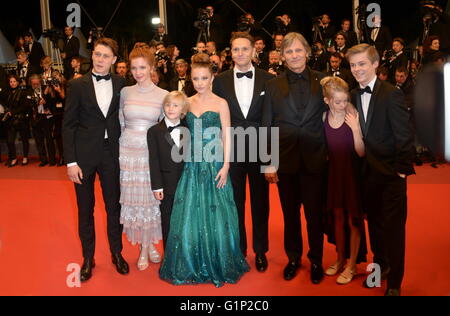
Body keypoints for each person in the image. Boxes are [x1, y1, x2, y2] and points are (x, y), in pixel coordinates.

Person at [159, 53, 250, 287]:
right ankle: (191, 261)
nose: (200, 82)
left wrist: (227, 165)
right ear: (191, 78)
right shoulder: (186, 102)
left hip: (216, 163)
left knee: (219, 212)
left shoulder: (221, 103)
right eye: (196, 78)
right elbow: (172, 124)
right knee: (190, 212)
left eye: (204, 78)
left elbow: (227, 135)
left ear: (212, 78)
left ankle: (219, 260)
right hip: (191, 164)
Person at [346, 44, 415, 296]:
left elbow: (404, 134)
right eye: (353, 65)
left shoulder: (391, 93)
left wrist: (401, 171)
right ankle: (380, 270)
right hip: (365, 174)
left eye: (362, 63)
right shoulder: (352, 94)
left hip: (390, 175)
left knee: (394, 230)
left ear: (375, 64)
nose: (357, 69)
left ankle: (395, 283)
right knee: (373, 227)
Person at [262, 32, 327, 284]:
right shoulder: (272, 85)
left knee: (314, 215)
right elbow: (266, 125)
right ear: (282, 56)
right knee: (290, 215)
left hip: (315, 160)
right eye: (289, 52)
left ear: (307, 52)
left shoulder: (323, 80)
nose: (294, 55)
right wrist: (267, 161)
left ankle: (317, 260)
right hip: (285, 161)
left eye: (298, 50)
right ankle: (293, 258)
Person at [63, 37, 129, 282]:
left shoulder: (121, 83)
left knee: (115, 208)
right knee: (85, 210)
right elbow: (68, 125)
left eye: (106, 56)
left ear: (114, 60)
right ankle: (88, 258)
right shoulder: (77, 85)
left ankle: (117, 253)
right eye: (97, 54)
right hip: (83, 157)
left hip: (112, 154)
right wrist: (71, 162)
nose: (100, 60)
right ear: (92, 56)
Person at [213, 32, 275, 272]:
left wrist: (272, 158)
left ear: (253, 51)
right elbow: (218, 118)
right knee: (235, 202)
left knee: (261, 203)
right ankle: (239, 250)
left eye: (244, 49)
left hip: (260, 149)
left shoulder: (269, 79)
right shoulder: (220, 80)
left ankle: (261, 251)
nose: (240, 53)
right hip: (232, 149)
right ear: (231, 52)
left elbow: (271, 119)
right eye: (235, 49)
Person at [119, 46, 169, 271]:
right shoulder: (125, 92)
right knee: (134, 201)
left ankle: (145, 247)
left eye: (142, 67)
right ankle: (146, 247)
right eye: (134, 68)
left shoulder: (163, 95)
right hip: (128, 154)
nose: (138, 72)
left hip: (149, 154)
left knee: (150, 202)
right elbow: (120, 120)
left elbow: (164, 129)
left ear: (151, 68)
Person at [320, 76, 367, 285]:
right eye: (337, 101)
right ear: (327, 100)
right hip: (333, 175)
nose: (342, 105)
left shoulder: (352, 114)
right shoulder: (323, 118)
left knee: (353, 219)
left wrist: (356, 129)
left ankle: (352, 265)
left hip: (352, 175)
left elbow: (361, 152)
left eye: (345, 100)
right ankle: (340, 258)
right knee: (337, 218)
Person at [148, 91, 187, 248]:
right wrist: (157, 186)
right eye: (168, 105)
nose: (171, 109)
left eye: (175, 105)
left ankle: (185, 257)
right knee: (167, 221)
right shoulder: (154, 131)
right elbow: (154, 160)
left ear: (183, 110)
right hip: (166, 183)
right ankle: (169, 259)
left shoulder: (188, 128)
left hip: (186, 183)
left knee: (185, 221)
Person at [3, 75, 32, 167]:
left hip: (22, 119)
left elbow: (25, 106)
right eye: (11, 82)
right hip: (11, 120)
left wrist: (13, 111)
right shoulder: (8, 93)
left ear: (18, 82)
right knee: (10, 140)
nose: (12, 83)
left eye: (14, 81)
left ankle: (25, 157)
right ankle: (14, 158)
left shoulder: (23, 92)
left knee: (24, 139)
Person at [30, 74, 56, 167]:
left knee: (49, 139)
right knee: (39, 140)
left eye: (37, 83)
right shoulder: (29, 91)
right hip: (36, 118)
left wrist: (46, 102)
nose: (35, 85)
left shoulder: (47, 88)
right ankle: (43, 160)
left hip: (47, 117)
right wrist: (36, 103)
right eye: (34, 84)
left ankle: (52, 160)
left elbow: (53, 100)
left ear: (40, 82)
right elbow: (27, 104)